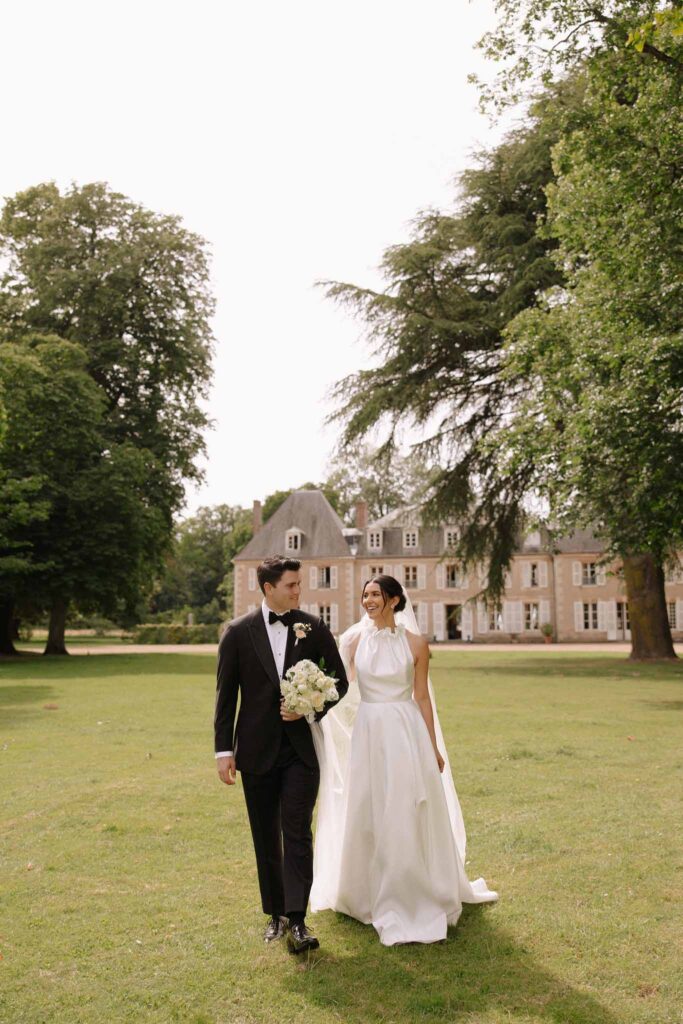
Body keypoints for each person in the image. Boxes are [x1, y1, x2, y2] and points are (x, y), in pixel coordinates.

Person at [310, 574, 498, 946]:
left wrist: (432, 745)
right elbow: (341, 688)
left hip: (403, 728)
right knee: (368, 804)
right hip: (368, 729)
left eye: (375, 595)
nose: (368, 601)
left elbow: (422, 698)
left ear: (395, 600)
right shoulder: (353, 640)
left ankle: (412, 886)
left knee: (404, 805)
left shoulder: (416, 643)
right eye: (364, 595)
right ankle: (365, 890)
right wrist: (313, 699)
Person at [214, 555, 348, 954]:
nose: (298, 590)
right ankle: (275, 914)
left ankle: (299, 920)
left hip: (300, 752)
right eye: (291, 584)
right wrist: (224, 751)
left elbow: (338, 680)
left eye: (299, 584)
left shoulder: (314, 627)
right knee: (265, 835)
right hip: (254, 751)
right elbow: (225, 699)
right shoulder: (237, 633)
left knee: (297, 832)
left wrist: (309, 706)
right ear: (268, 588)